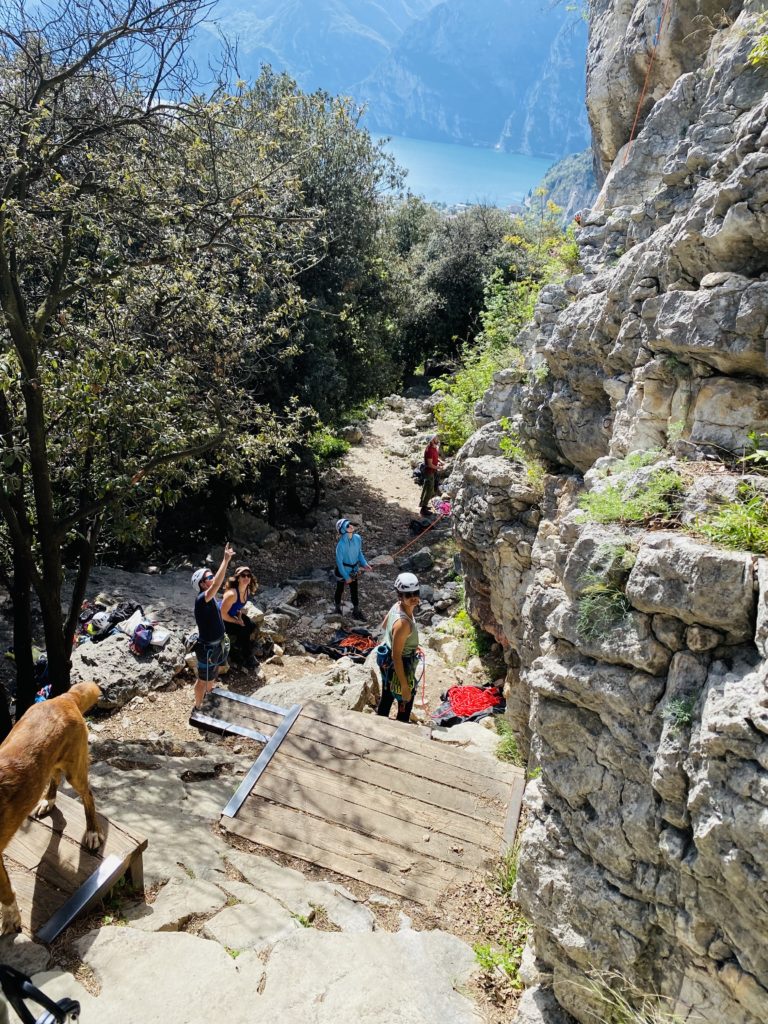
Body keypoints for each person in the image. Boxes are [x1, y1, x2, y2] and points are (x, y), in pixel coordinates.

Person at [190, 543, 234, 710]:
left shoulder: (210, 599)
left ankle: (210, 693)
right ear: (202, 584)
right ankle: (198, 706)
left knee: (213, 673)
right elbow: (216, 584)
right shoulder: (202, 599)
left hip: (217, 644)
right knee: (202, 679)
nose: (213, 579)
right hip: (207, 648)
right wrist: (225, 559)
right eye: (209, 577)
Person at [376, 572, 421, 723]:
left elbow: (384, 625)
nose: (413, 597)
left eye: (416, 592)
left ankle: (379, 724)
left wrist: (406, 642)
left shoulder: (396, 606)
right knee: (405, 699)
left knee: (387, 694)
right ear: (400, 596)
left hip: (387, 662)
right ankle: (401, 732)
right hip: (400, 663)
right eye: (408, 595)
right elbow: (397, 657)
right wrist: (404, 686)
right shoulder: (403, 624)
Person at [221, 565, 258, 669]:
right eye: (243, 575)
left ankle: (237, 646)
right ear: (237, 578)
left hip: (232, 615)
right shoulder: (231, 594)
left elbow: (238, 607)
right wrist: (236, 621)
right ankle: (246, 656)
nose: (246, 578)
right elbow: (222, 614)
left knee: (251, 625)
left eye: (248, 575)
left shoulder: (247, 590)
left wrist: (239, 616)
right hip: (221, 620)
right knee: (244, 631)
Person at [334, 518, 371, 619]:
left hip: (354, 570)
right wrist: (346, 577)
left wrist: (364, 564)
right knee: (339, 589)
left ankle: (356, 610)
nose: (350, 526)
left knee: (354, 590)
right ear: (342, 530)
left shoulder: (357, 538)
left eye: (350, 524)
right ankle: (337, 608)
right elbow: (339, 563)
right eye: (347, 526)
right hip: (342, 572)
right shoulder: (340, 545)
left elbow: (359, 553)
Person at [419, 434, 443, 516]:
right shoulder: (429, 450)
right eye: (435, 438)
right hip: (429, 472)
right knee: (429, 490)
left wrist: (440, 461)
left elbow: (435, 457)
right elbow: (429, 464)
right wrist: (438, 468)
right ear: (432, 440)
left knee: (428, 489)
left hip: (432, 471)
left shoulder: (433, 447)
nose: (437, 439)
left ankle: (424, 505)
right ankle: (423, 509)